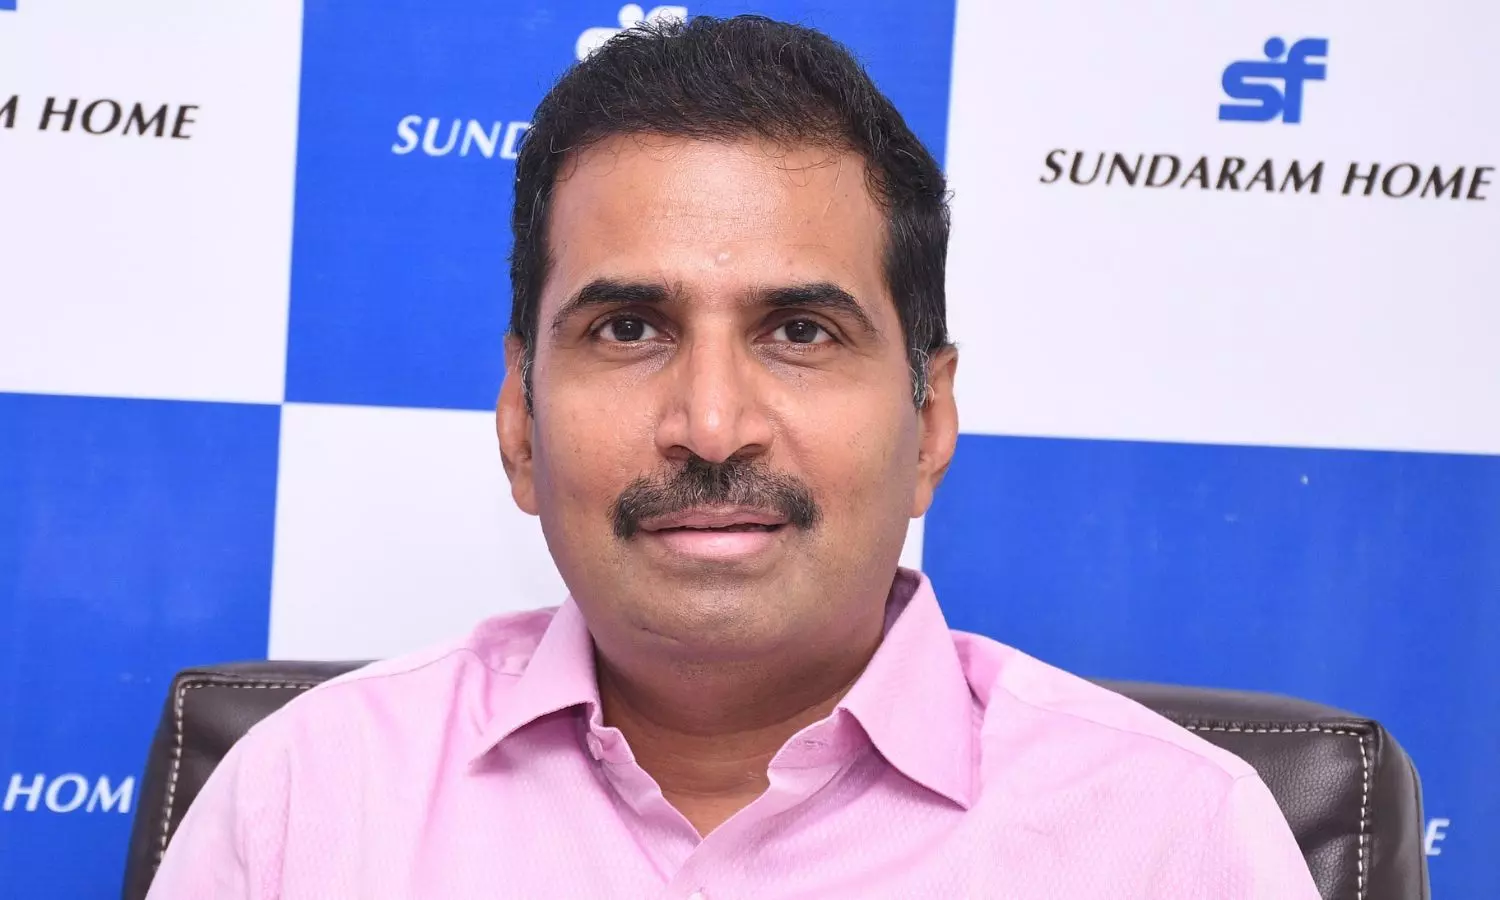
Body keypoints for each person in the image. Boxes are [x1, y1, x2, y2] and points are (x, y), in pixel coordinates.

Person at [148, 15, 1319, 898]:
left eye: (800, 332)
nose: (711, 426)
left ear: (930, 424)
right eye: (628, 330)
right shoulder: (306, 805)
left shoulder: (1178, 841)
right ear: (520, 420)